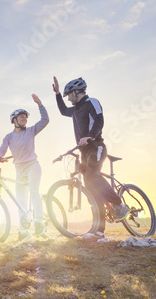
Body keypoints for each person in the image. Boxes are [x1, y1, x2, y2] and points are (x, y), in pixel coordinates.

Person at [52, 76, 129, 239]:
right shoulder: (75, 110)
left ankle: (119, 205)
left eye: (68, 95)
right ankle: (99, 231)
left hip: (97, 146)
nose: (68, 98)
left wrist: (90, 137)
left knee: (93, 176)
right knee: (93, 193)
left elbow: (99, 120)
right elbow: (63, 111)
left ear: (76, 92)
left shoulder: (91, 102)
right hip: (84, 152)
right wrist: (57, 93)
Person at [0, 94, 49, 241]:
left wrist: (40, 105)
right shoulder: (8, 137)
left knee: (34, 192)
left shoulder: (31, 131)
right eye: (22, 117)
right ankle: (23, 231)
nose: (25, 119)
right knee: (21, 200)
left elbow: (45, 120)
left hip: (33, 165)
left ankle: (39, 223)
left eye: (26, 117)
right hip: (19, 169)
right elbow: (2, 149)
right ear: (14, 120)